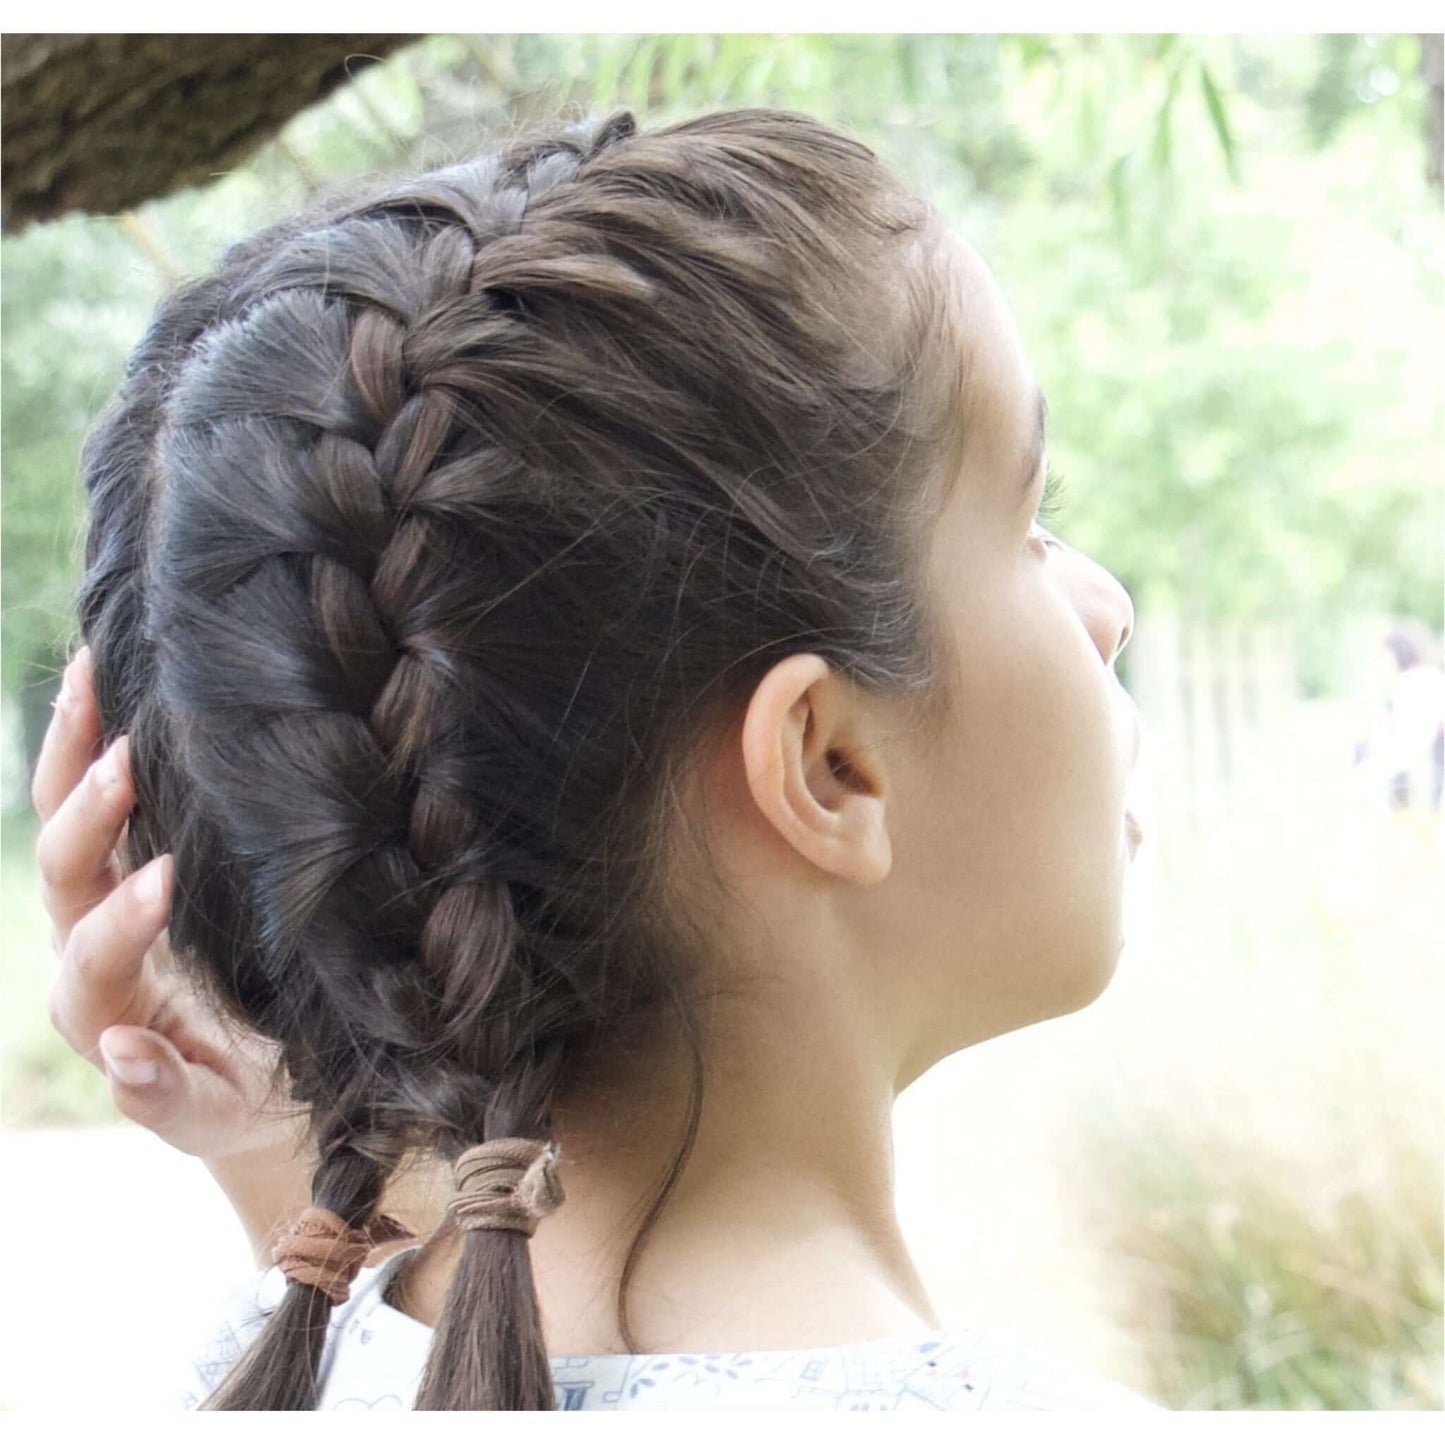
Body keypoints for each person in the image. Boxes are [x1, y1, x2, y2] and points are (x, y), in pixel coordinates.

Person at [33, 107, 1155, 1411]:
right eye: (1028, 521)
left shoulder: (270, 1367)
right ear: (830, 763)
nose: (1105, 606)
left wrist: (276, 1149)